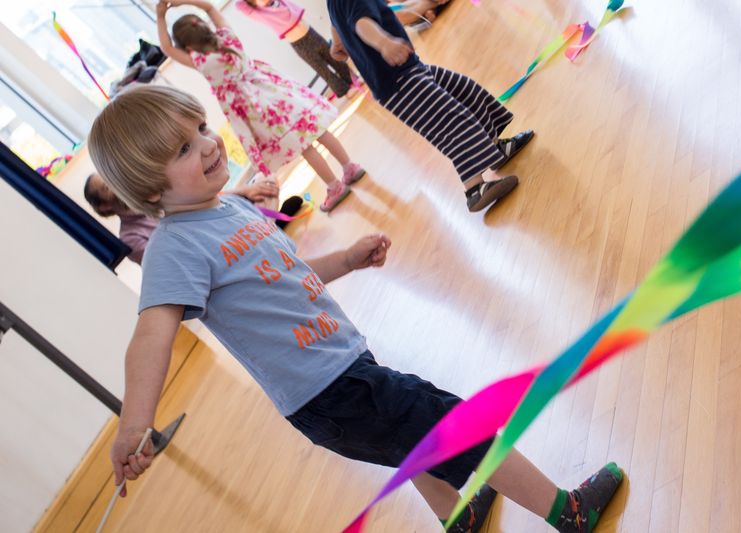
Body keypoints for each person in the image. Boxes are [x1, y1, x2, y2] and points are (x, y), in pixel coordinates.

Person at [90, 85, 622, 533]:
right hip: (328, 393)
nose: (208, 145)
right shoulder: (174, 248)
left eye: (202, 128)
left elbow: (286, 275)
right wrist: (134, 426)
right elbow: (151, 337)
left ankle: (457, 517)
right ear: (150, 188)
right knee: (459, 426)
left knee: (411, 440)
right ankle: (568, 512)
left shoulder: (229, 207)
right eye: (184, 149)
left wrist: (346, 260)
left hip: (344, 364)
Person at [156, 0, 365, 212]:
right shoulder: (226, 37)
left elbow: (166, 48)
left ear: (188, 47)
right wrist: (184, 1)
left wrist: (160, 14)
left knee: (305, 146)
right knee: (318, 130)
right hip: (275, 91)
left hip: (260, 110)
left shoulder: (200, 61)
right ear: (204, 27)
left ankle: (334, 187)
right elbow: (210, 8)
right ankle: (350, 167)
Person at [327, 0, 535, 212]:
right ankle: (474, 188)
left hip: (410, 69)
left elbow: (338, 30)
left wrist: (337, 45)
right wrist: (384, 43)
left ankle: (495, 148)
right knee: (452, 121)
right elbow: (362, 23)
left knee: (464, 91)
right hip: (398, 81)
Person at [84, 172, 303, 265]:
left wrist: (246, 190)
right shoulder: (130, 238)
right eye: (107, 187)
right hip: (216, 255)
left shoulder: (151, 197)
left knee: (265, 179)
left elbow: (206, 200)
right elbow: (178, 262)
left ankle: (268, 230)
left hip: (224, 227)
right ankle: (270, 230)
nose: (115, 185)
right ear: (104, 206)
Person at [235, 0, 360, 99]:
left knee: (332, 56)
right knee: (322, 68)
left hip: (310, 32)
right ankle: (344, 91)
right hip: (299, 43)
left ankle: (352, 79)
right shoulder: (259, 13)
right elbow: (239, 4)